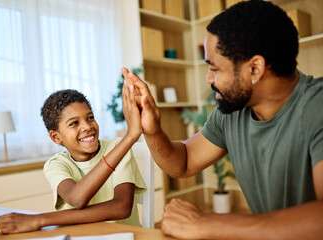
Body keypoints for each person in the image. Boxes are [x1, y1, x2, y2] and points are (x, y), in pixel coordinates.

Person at [122, 0, 323, 239]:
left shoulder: (316, 106)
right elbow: (183, 162)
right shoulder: (232, 111)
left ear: (255, 69)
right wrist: (153, 130)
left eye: (215, 68)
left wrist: (205, 224)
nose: (209, 78)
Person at [0, 88, 146, 234]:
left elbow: (121, 207)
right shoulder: (56, 164)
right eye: (74, 123)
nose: (87, 126)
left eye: (90, 117)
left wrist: (39, 220)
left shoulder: (117, 147)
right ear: (56, 137)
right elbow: (77, 198)